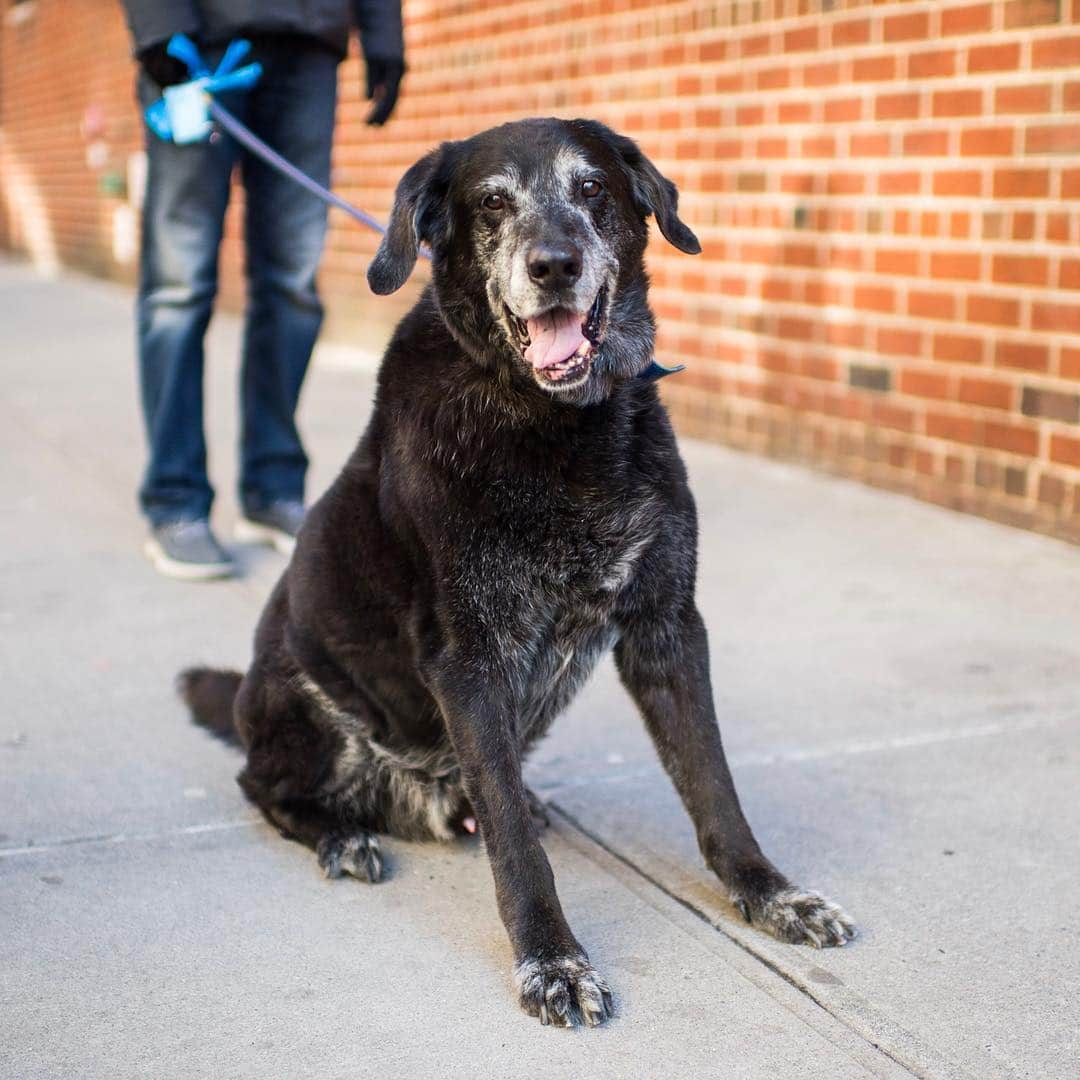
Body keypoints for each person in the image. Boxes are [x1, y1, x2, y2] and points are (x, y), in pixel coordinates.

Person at [120, 1, 405, 579]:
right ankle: (176, 500)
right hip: (197, 39)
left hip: (309, 47)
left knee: (292, 283)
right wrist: (156, 22)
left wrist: (384, 33)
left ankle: (273, 489)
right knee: (179, 286)